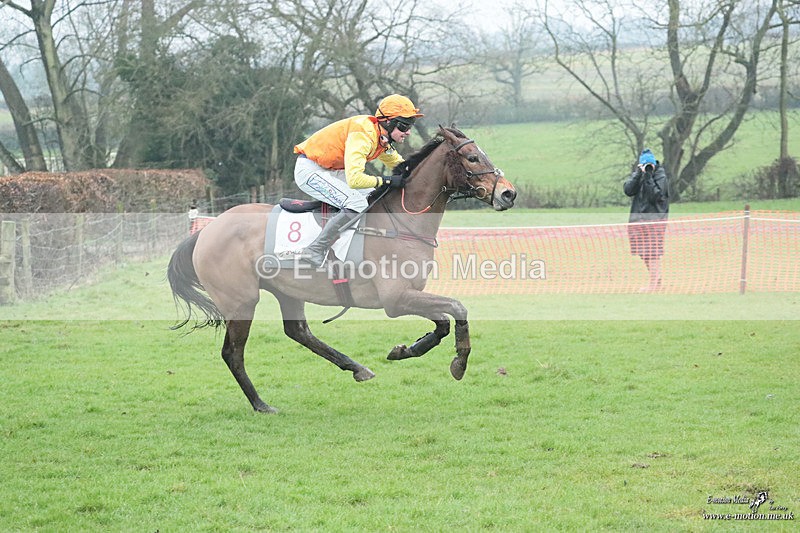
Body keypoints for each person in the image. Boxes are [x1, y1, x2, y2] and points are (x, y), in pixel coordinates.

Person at [292, 94, 424, 267]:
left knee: (374, 198)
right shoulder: (363, 134)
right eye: (404, 126)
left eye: (410, 126)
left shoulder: (381, 137)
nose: (408, 132)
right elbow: (355, 180)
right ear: (387, 122)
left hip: (330, 170)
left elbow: (399, 164)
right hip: (310, 170)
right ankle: (315, 249)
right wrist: (387, 181)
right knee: (357, 203)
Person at [623, 148, 669, 292]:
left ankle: (654, 284)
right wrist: (638, 174)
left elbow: (656, 196)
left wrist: (649, 177)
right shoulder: (639, 174)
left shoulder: (661, 176)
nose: (648, 167)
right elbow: (628, 190)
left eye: (650, 165)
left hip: (655, 219)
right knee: (643, 252)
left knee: (652, 252)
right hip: (638, 219)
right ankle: (657, 280)